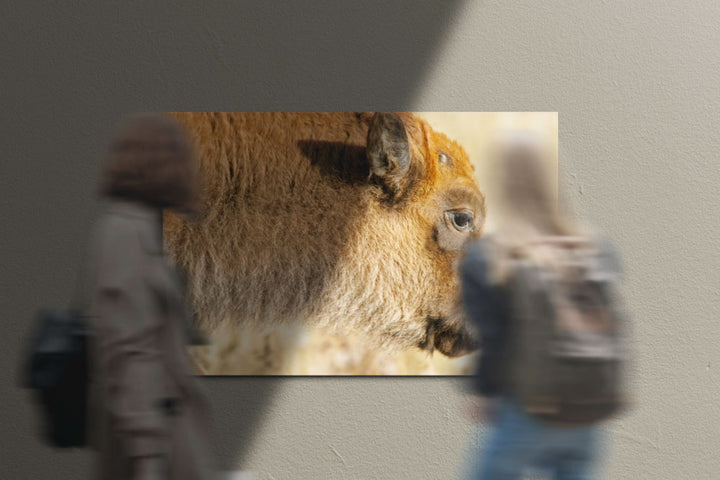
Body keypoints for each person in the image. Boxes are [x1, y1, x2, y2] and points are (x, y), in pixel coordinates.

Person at [461, 131, 622, 479]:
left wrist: (484, 392)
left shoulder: (492, 256)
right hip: (586, 414)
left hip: (526, 412)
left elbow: (496, 339)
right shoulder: (593, 248)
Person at [87, 113, 213, 480]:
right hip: (156, 444)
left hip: (157, 434)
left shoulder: (132, 227)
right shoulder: (126, 233)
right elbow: (129, 348)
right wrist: (148, 455)